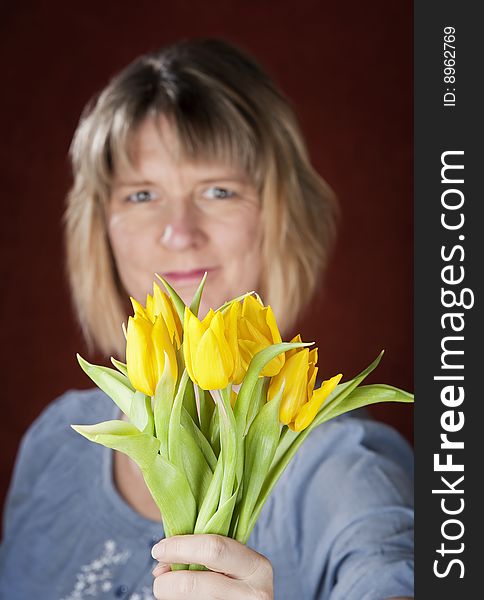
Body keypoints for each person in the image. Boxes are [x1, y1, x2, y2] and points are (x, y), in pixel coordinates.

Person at [0, 39, 414, 599]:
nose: (179, 232)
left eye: (219, 191)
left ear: (282, 217)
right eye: (142, 194)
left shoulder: (345, 475)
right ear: (99, 227)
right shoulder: (55, 443)